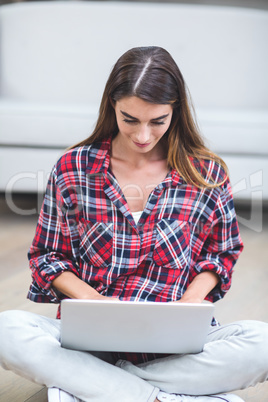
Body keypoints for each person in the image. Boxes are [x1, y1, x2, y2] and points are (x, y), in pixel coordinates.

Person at [0, 46, 267, 402]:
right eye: (130, 119)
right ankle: (161, 396)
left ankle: (105, 386)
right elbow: (47, 257)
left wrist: (189, 302)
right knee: (6, 330)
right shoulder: (73, 167)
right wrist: (94, 302)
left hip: (174, 346)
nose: (143, 136)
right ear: (112, 105)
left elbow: (222, 253)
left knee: (262, 344)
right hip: (91, 341)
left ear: (176, 111)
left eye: (158, 121)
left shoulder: (206, 173)